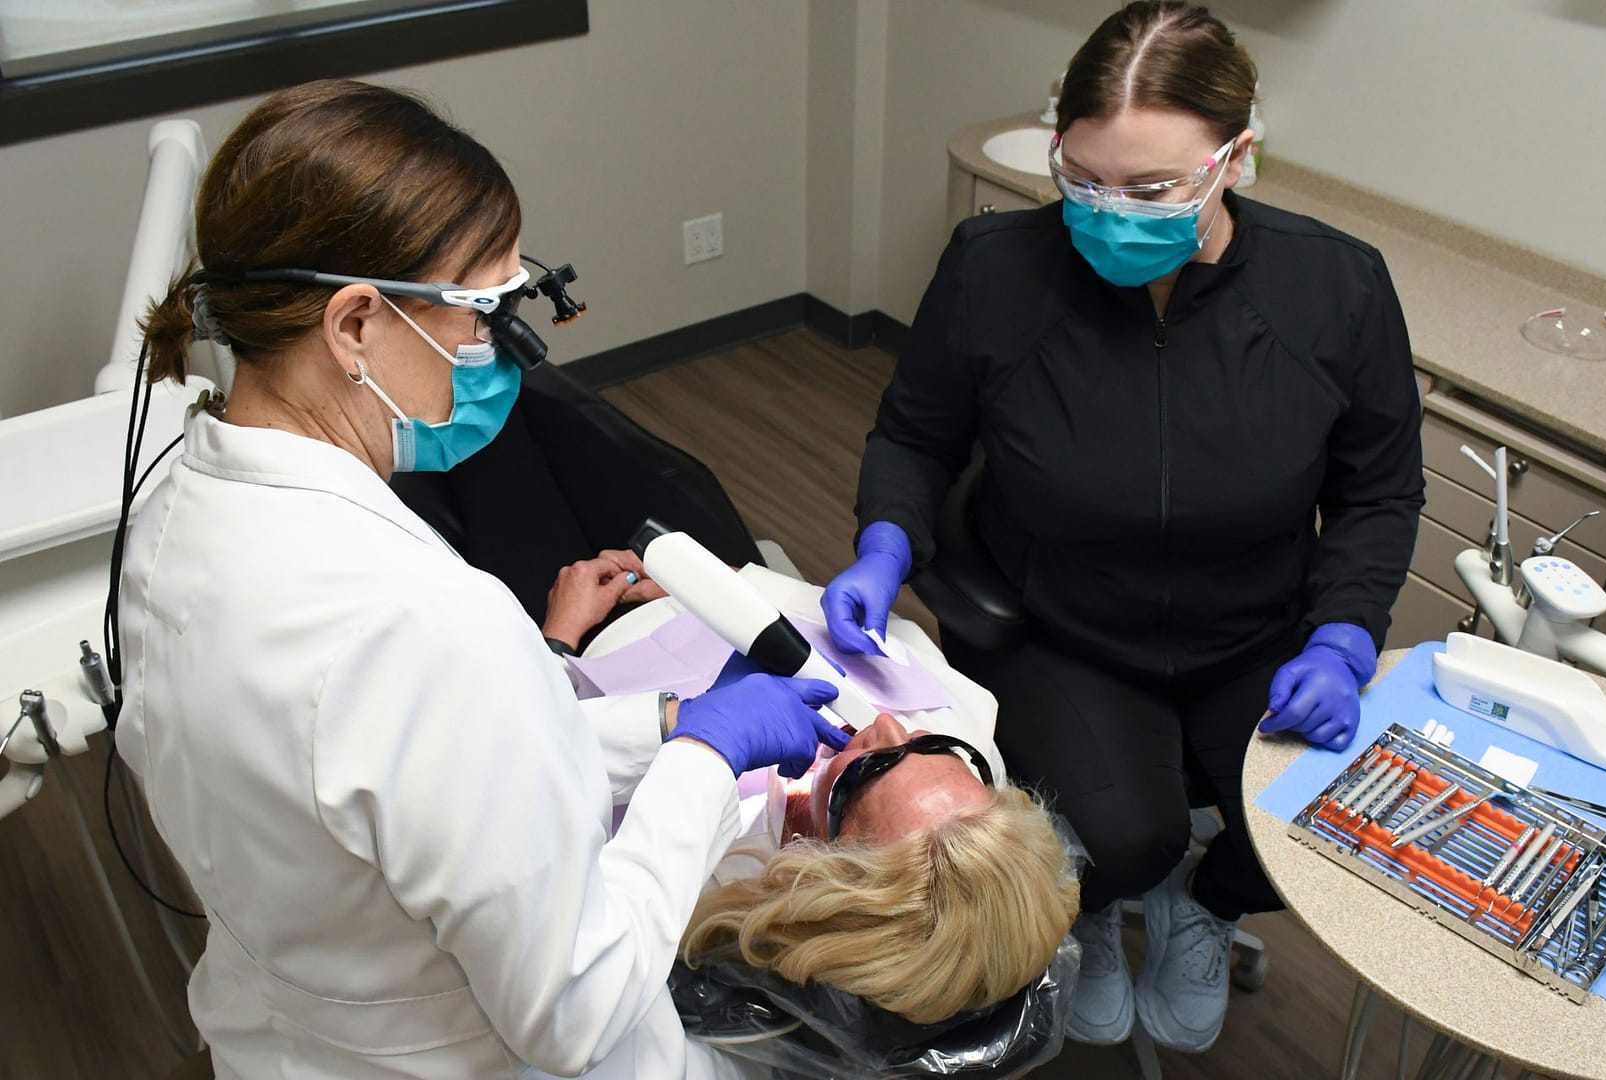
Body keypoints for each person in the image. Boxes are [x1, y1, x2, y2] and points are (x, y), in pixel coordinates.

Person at [115, 79, 849, 1080]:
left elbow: (400, 781)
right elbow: (577, 1012)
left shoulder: (169, 515)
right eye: (483, 312)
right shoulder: (423, 620)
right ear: (354, 325)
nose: (496, 350)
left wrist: (668, 724)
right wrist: (705, 764)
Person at [821, 0, 1423, 1055]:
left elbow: (1378, 491)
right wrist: (886, 545)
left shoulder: (1336, 287)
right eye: (1082, 179)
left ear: (1237, 157)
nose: (1108, 214)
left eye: (1150, 190)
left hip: (1260, 630)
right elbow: (916, 435)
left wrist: (1343, 638)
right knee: (1123, 838)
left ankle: (1212, 904)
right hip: (1066, 627)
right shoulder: (994, 268)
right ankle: (1087, 907)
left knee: (1329, 831)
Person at [571, 564, 1081, 1027]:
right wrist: (708, 585)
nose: (888, 724)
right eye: (935, 747)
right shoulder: (973, 754)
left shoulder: (693, 880)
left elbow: (537, 774)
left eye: (868, 771)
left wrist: (555, 645)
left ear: (812, 863)